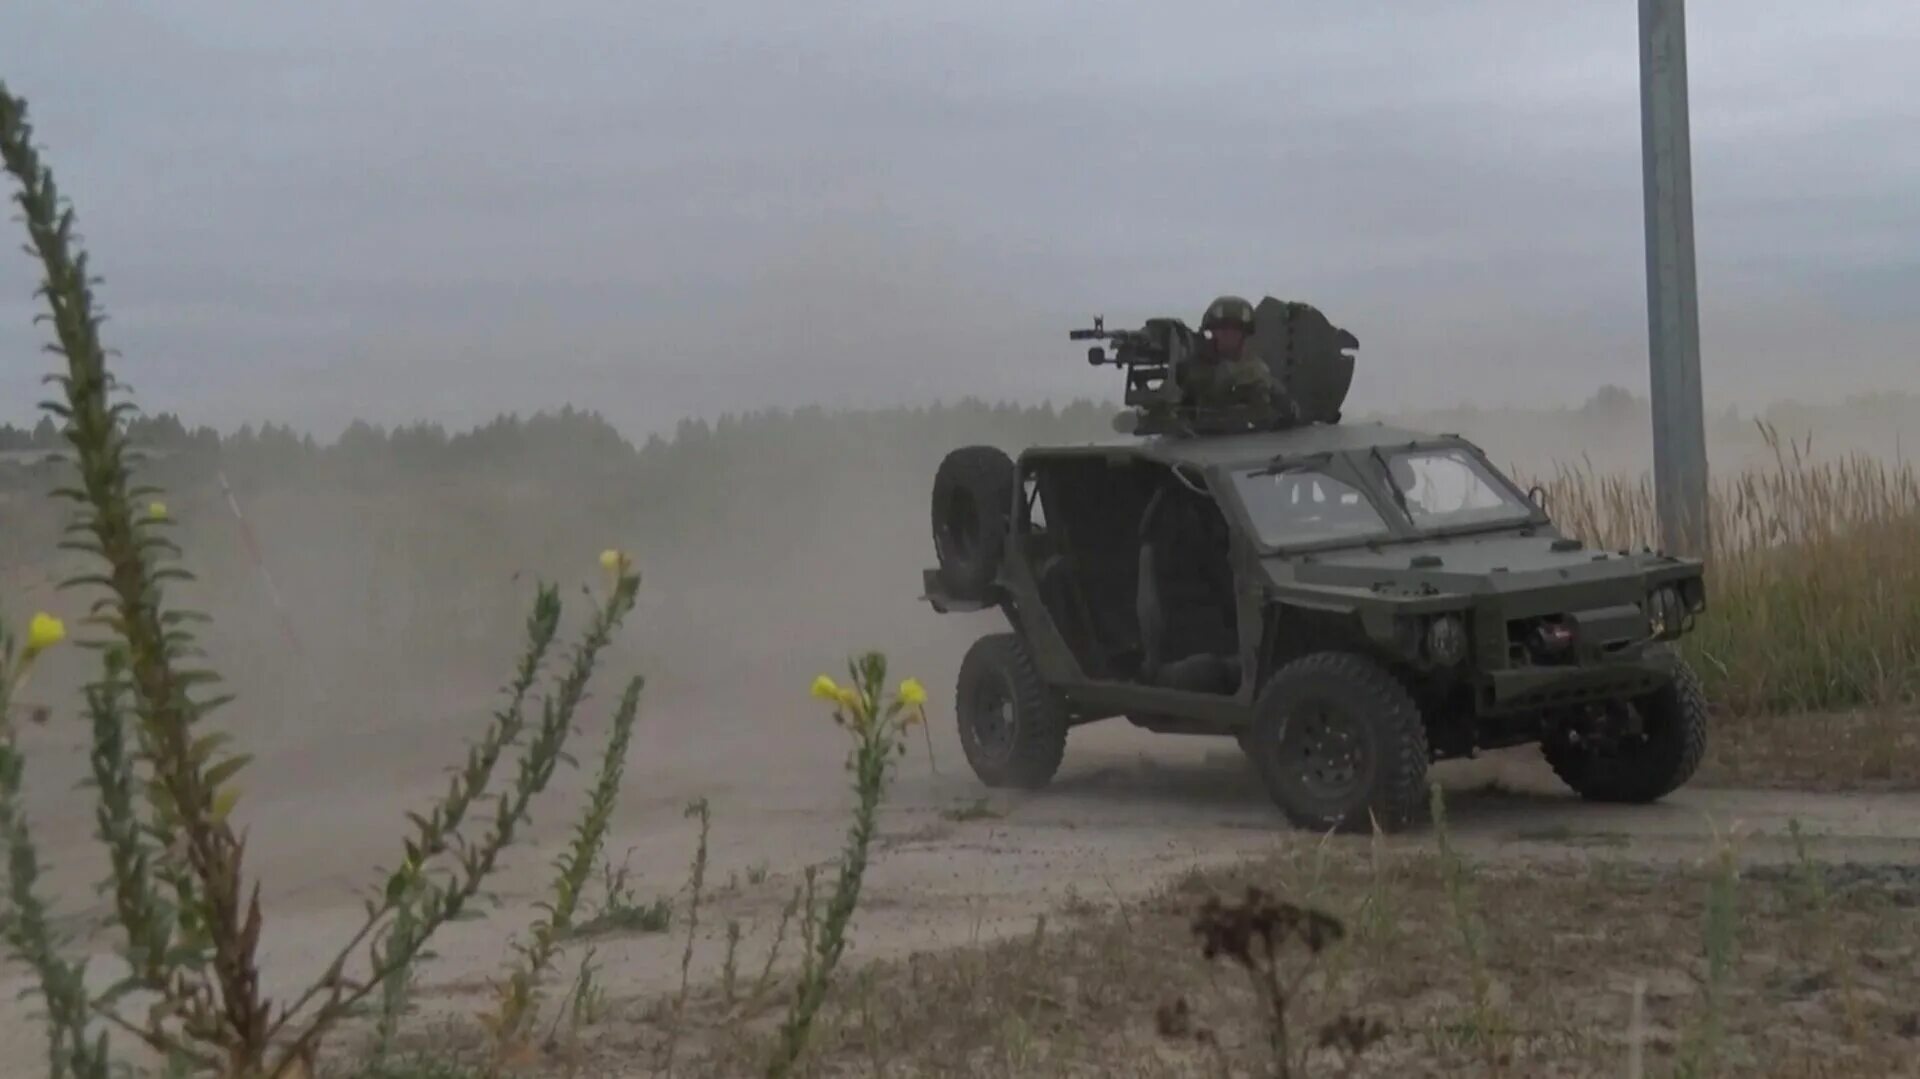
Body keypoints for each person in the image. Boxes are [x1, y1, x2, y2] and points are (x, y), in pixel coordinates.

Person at [1182, 295, 1297, 421]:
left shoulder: (1256, 371)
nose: (1228, 335)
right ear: (1213, 331)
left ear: (1244, 334)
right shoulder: (1190, 367)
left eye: (1235, 329)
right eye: (1223, 328)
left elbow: (1287, 408)